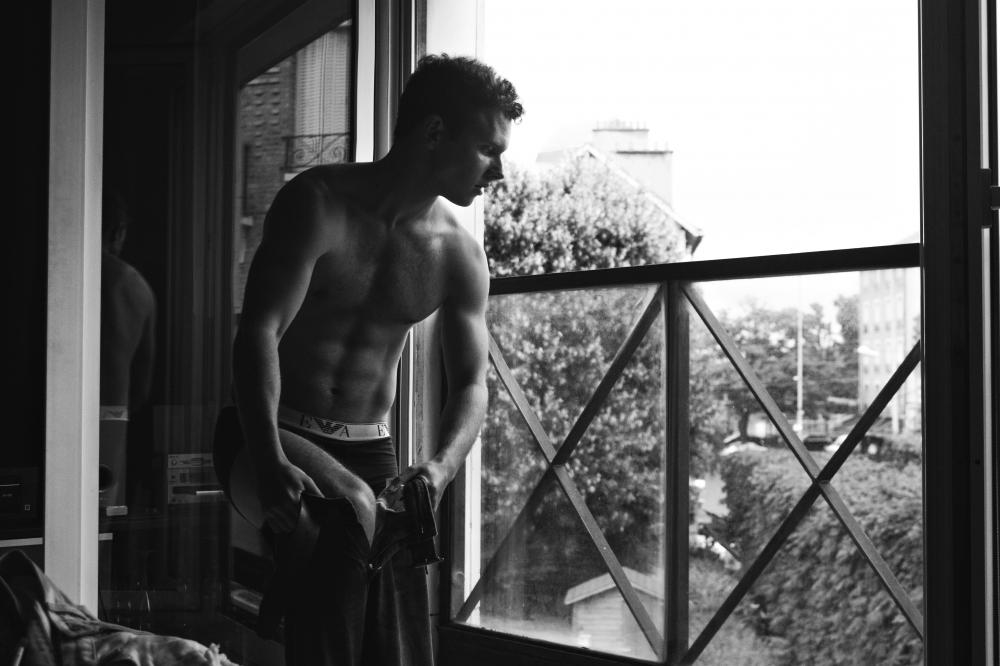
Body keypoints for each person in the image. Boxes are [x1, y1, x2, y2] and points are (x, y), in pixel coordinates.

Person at [214, 54, 522, 665]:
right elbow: (258, 332)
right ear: (434, 132)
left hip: (369, 448)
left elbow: (471, 383)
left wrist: (439, 469)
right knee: (354, 514)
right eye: (488, 149)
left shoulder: (460, 254)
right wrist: (269, 459)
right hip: (266, 431)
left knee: (400, 616)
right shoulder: (317, 203)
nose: (500, 171)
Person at [100, 190, 156, 511]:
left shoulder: (55, 270)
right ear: (118, 231)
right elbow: (141, 388)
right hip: (111, 418)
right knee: (99, 516)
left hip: (45, 411)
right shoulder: (136, 287)